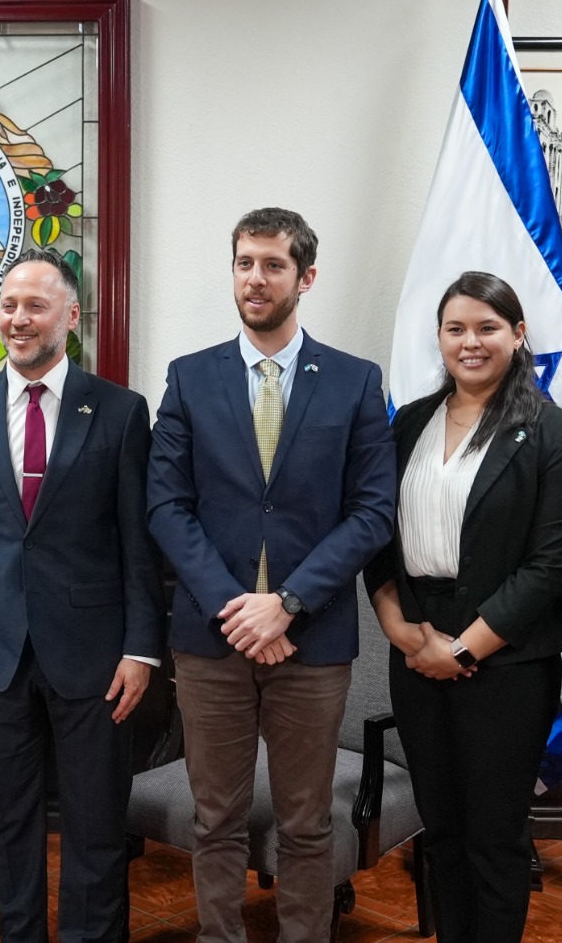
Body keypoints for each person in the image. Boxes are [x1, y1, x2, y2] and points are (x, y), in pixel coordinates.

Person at [146, 207, 396, 943]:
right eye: (244, 263)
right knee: (215, 818)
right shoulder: (189, 377)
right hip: (211, 638)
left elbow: (373, 512)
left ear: (305, 277)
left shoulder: (354, 381)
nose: (255, 279)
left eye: (273, 265)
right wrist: (238, 608)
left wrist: (286, 604)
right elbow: (166, 506)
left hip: (310, 642)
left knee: (306, 823)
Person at [0, 249, 163, 943]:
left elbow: (138, 542)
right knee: (8, 820)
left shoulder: (120, 411)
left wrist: (141, 649)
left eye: (35, 306)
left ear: (71, 316)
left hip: (95, 653)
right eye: (8, 305)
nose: (18, 319)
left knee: (96, 822)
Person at [365, 271, 562, 943]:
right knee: (441, 829)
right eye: (455, 328)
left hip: (507, 660)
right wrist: (401, 632)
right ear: (439, 338)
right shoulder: (408, 423)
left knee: (494, 835)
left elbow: (549, 567)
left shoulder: (555, 432)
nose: (471, 342)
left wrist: (461, 649)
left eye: (487, 327)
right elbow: (378, 536)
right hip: (415, 648)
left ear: (518, 335)